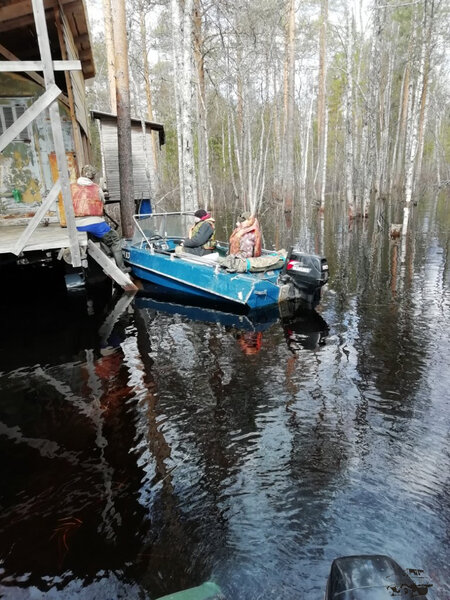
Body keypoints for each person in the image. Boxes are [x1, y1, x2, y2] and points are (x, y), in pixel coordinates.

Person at [71, 165, 130, 272]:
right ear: (93, 177)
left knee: (103, 236)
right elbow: (102, 201)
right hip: (95, 223)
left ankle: (106, 254)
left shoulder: (72, 187)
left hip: (77, 225)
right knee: (114, 238)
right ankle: (121, 268)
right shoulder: (96, 188)